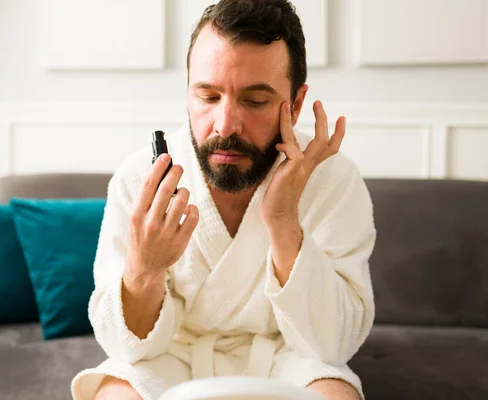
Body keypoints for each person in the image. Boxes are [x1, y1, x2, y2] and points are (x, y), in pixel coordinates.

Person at [71, 0, 376, 399]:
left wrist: (283, 220)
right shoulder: (140, 179)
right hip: (170, 358)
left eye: (255, 101)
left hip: (290, 359)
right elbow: (124, 347)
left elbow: (335, 346)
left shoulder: (333, 179)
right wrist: (144, 269)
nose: (226, 124)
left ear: (296, 104)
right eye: (208, 97)